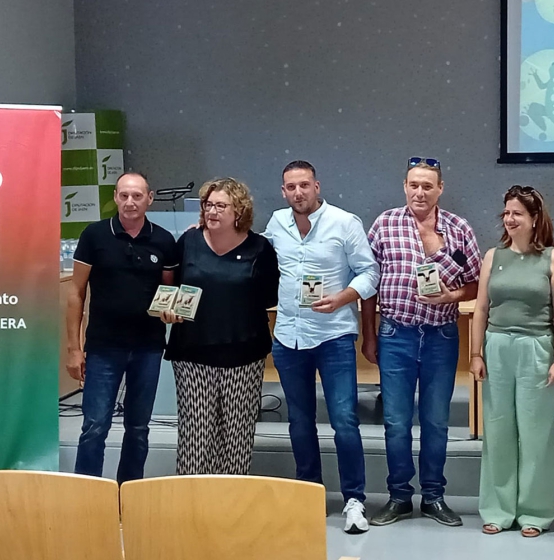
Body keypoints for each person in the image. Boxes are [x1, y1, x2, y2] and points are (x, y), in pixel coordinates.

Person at [361, 157, 481, 527]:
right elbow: (367, 282)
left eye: (428, 186)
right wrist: (368, 334)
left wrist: (452, 296)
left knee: (436, 422)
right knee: (396, 422)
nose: (420, 192)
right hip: (395, 333)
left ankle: (433, 496)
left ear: (440, 189)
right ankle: (399, 496)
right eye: (414, 185)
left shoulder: (459, 229)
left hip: (440, 337)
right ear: (404, 186)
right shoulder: (384, 224)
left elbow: (478, 282)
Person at [263, 160, 380, 535]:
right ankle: (308, 493)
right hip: (288, 337)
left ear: (317, 186)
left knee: (344, 421)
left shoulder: (345, 223)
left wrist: (344, 296)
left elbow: (370, 273)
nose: (298, 193)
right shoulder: (276, 224)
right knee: (299, 421)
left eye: (304, 185)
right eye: (290, 187)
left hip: (333, 337)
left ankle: (354, 501)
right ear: (283, 192)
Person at [470, 185, 554, 537]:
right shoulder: (492, 257)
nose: (510, 219)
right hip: (497, 347)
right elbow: (481, 308)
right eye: (507, 213)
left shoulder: (553, 259)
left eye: (518, 214)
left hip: (536, 349)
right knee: (497, 431)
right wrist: (476, 353)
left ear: (534, 219)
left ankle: (535, 512)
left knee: (535, 433)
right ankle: (498, 508)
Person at [161, 177, 280, 475]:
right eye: (208, 205)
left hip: (243, 355)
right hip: (192, 353)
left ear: (239, 211)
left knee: (237, 436)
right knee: (196, 436)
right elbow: (169, 288)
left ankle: (230, 507)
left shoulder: (260, 248)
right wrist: (167, 310)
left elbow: (269, 297)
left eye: (221, 206)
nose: (212, 211)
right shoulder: (188, 241)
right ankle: (192, 506)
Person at [67, 172, 178, 484]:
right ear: (115, 197)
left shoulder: (164, 241)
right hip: (103, 347)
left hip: (148, 347)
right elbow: (76, 293)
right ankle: (87, 495)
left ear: (149, 198)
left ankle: (129, 491)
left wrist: (171, 311)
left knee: (139, 428)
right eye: (124, 195)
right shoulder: (95, 235)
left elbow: (169, 292)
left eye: (137, 196)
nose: (130, 202)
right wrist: (74, 349)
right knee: (94, 426)